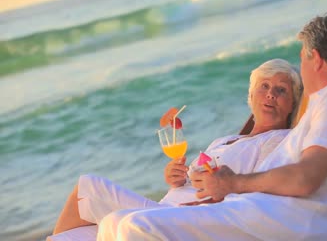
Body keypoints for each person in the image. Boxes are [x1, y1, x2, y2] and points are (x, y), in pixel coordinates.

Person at [101, 13, 327, 240]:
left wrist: (232, 184)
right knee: (115, 222)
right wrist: (222, 198)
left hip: (288, 225)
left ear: (314, 59)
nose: (301, 67)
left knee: (135, 228)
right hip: (259, 212)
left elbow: (305, 178)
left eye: (301, 57)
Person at [48, 58, 303, 240]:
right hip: (165, 207)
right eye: (264, 87)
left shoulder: (279, 140)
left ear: (292, 103)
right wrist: (176, 179)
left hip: (182, 219)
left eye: (281, 90)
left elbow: (260, 190)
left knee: (90, 188)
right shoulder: (225, 140)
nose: (270, 95)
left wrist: (219, 193)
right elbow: (193, 181)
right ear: (251, 96)